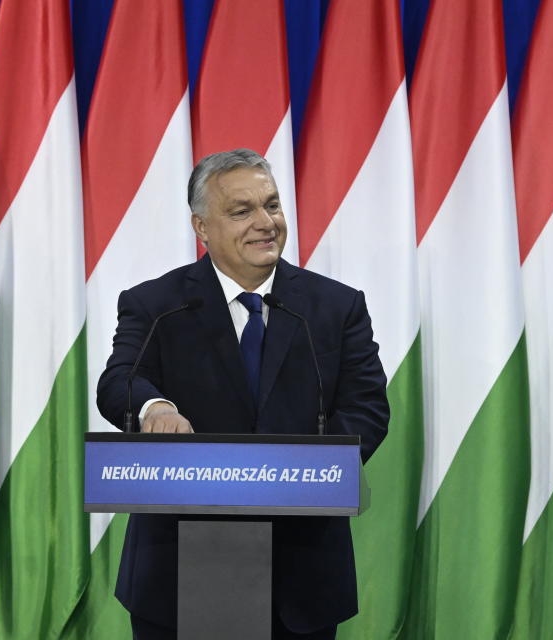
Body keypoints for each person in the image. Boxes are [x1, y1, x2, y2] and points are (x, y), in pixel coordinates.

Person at [96, 149, 390, 639]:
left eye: (272, 205)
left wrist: (304, 477)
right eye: (241, 211)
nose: (265, 222)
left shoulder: (335, 306)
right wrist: (154, 406)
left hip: (301, 567)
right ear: (202, 227)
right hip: (181, 564)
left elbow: (367, 409)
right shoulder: (156, 304)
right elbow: (119, 379)